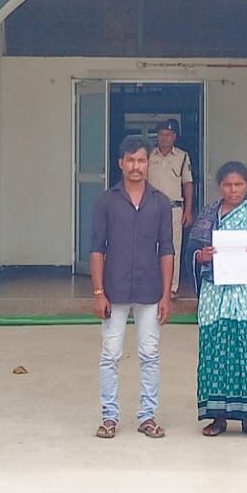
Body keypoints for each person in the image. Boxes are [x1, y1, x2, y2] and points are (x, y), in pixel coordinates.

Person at [189, 161, 247, 439]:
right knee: (215, 350)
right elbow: (193, 252)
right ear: (220, 187)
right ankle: (217, 417)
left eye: (238, 184)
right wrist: (203, 256)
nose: (233, 190)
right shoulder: (208, 215)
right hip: (215, 293)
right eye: (228, 185)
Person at [89, 136, 174, 439]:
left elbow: (167, 250)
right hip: (114, 290)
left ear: (148, 164)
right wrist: (98, 292)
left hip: (150, 291)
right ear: (120, 163)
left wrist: (166, 295)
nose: (136, 166)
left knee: (150, 354)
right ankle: (109, 417)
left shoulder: (160, 203)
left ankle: (147, 416)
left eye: (141, 160)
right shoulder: (106, 201)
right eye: (130, 160)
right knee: (110, 354)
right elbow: (97, 249)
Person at [147, 118, 194, 297]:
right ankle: (153, 285)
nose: (164, 138)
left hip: (174, 209)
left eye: (168, 135)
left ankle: (171, 287)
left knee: (173, 247)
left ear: (174, 136)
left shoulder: (182, 157)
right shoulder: (149, 156)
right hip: (150, 208)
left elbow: (188, 183)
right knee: (150, 246)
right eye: (161, 135)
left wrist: (188, 210)